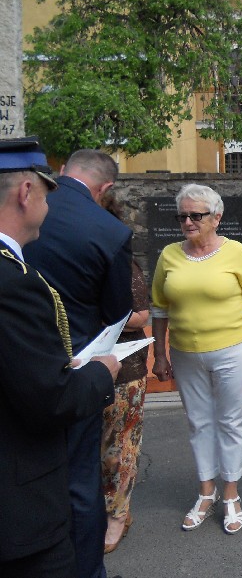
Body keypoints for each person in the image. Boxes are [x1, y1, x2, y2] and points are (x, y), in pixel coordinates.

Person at [0, 137, 120, 578]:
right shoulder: (14, 282)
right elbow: (52, 399)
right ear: (26, 192)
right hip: (20, 508)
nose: (51, 207)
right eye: (48, 194)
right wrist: (101, 372)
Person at [151, 184, 242, 534]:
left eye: (196, 215)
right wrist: (160, 354)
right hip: (185, 352)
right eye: (182, 216)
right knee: (198, 422)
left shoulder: (236, 252)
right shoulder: (169, 255)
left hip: (233, 349)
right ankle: (206, 491)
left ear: (216, 218)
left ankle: (231, 493)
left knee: (230, 421)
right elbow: (159, 308)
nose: (188, 222)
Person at [97, 191, 150, 554]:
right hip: (79, 366)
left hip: (123, 367)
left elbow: (141, 315)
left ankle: (117, 515)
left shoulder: (122, 263)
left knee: (118, 448)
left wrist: (96, 315)